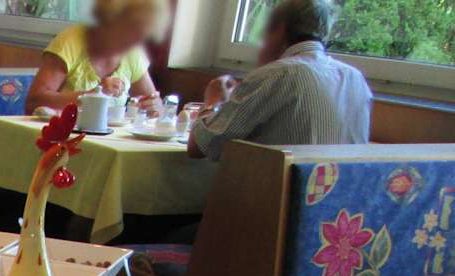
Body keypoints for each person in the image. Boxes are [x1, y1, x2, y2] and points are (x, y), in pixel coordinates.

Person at [188, 0, 370, 160]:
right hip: (338, 188)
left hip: (276, 188)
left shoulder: (276, 75)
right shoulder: (356, 79)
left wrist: (213, 101)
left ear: (280, 30)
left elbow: (199, 147)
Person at [24, 0, 166, 113]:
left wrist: (154, 107)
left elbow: (152, 101)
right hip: (61, 135)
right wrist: (92, 96)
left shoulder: (133, 51)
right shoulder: (70, 41)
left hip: (107, 137)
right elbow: (34, 102)